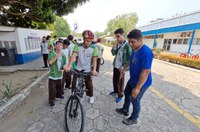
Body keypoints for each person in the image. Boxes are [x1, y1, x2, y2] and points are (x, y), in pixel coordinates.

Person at [116, 29, 153, 125]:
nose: (130, 44)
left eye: (133, 42)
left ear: (140, 40)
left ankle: (134, 118)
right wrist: (124, 68)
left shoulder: (146, 52)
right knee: (127, 92)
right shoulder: (135, 49)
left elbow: (145, 72)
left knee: (135, 99)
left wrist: (137, 88)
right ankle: (125, 109)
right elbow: (131, 60)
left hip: (142, 82)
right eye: (129, 41)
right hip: (133, 79)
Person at [64, 30, 98, 104]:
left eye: (90, 41)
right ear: (83, 39)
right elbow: (73, 56)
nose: (89, 43)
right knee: (74, 83)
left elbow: (94, 60)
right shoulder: (77, 46)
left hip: (87, 69)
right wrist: (69, 66)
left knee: (89, 83)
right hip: (78, 68)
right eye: (87, 41)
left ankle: (91, 96)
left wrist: (94, 70)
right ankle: (73, 96)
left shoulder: (94, 48)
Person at [110, 28, 132, 103]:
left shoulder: (127, 45)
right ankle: (115, 91)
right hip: (116, 65)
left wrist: (125, 68)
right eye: (116, 37)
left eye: (118, 36)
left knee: (120, 82)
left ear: (122, 35)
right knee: (115, 80)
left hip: (122, 67)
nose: (117, 38)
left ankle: (120, 95)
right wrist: (114, 45)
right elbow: (113, 53)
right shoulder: (118, 43)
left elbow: (130, 57)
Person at [48, 41, 66, 106]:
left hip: (59, 74)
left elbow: (63, 64)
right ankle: (51, 100)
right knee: (52, 89)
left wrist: (63, 69)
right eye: (58, 44)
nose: (59, 45)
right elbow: (50, 62)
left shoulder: (63, 55)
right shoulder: (51, 53)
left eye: (61, 44)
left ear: (62, 46)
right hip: (53, 74)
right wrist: (57, 56)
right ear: (55, 46)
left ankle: (58, 95)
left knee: (59, 86)